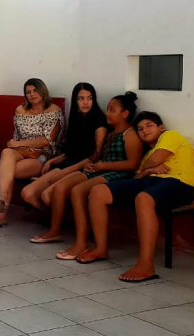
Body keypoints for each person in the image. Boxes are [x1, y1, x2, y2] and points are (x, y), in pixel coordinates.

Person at [84, 112, 194, 281]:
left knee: (143, 198)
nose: (144, 130)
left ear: (161, 128)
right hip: (152, 182)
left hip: (180, 183)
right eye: (140, 129)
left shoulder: (170, 135)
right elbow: (138, 176)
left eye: (149, 126)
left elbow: (157, 158)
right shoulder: (147, 155)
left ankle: (146, 265)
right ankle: (101, 248)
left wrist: (148, 168)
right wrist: (149, 170)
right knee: (98, 191)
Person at [41, 93, 142, 255]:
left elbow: (133, 164)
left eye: (112, 110)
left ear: (125, 113)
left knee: (78, 191)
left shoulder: (129, 135)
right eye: (108, 109)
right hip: (102, 169)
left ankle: (81, 242)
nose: (107, 113)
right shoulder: (111, 134)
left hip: (118, 175)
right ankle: (55, 230)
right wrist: (94, 165)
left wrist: (103, 165)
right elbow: (100, 156)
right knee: (61, 186)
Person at [23, 82, 108, 241]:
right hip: (69, 163)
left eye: (89, 98)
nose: (85, 102)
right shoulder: (76, 119)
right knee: (27, 194)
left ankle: (57, 228)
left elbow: (95, 156)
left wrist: (63, 172)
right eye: (81, 98)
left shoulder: (99, 121)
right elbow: (70, 151)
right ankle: (63, 221)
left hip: (84, 168)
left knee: (48, 196)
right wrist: (51, 162)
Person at [0, 78, 64, 229]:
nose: (32, 94)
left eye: (35, 90)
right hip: (21, 152)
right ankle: (2, 201)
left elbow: (48, 141)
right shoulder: (21, 110)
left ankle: (1, 213)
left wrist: (19, 144)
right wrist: (16, 145)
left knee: (7, 171)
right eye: (28, 92)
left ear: (43, 90)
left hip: (43, 155)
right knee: (7, 152)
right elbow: (17, 136)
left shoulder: (54, 110)